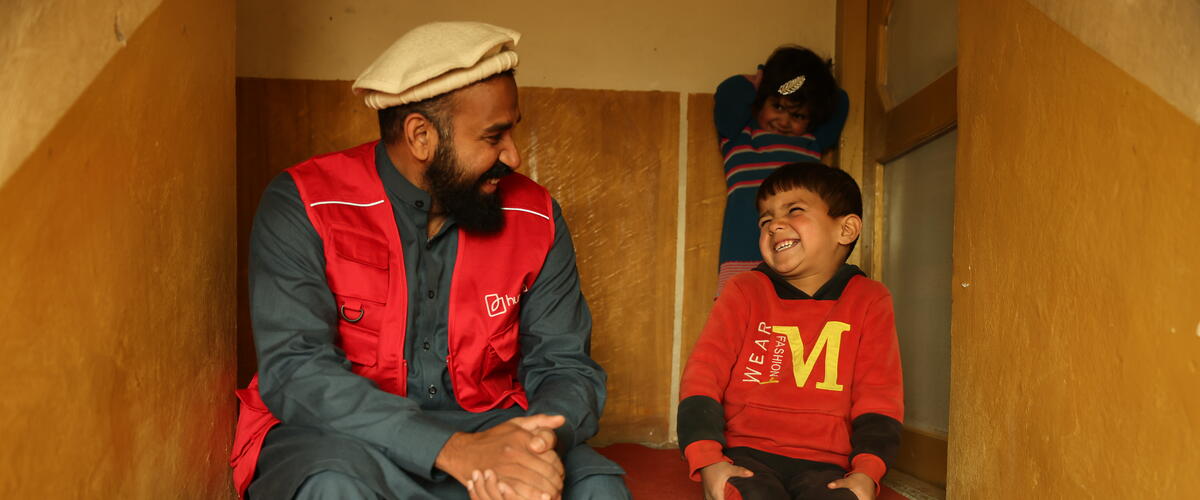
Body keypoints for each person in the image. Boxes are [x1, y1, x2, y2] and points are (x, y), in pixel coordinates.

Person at [229, 22, 629, 500]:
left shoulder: (535, 215)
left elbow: (564, 364)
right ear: (421, 136)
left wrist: (537, 443)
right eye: (494, 136)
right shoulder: (305, 203)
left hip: (491, 425)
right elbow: (296, 371)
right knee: (332, 486)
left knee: (596, 486)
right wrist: (452, 450)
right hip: (344, 434)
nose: (514, 156)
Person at [677, 163, 903, 500]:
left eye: (794, 210)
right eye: (765, 220)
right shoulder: (744, 290)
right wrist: (709, 461)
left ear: (846, 229)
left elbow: (880, 395)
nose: (774, 225)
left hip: (829, 465)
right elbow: (703, 376)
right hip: (745, 456)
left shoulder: (870, 299)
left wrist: (866, 474)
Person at [715, 46, 850, 292]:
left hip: (797, 251)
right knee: (738, 308)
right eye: (777, 106)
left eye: (798, 116)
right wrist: (768, 80)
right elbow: (729, 90)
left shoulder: (812, 141)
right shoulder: (739, 134)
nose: (784, 121)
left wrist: (812, 84)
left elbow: (840, 101)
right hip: (743, 250)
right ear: (761, 98)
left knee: (798, 309)